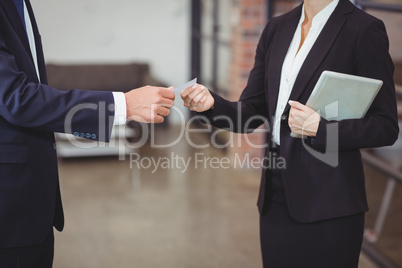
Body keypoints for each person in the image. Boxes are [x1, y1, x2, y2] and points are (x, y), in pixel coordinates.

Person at [181, 0, 399, 267]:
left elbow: (385, 126)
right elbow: (252, 112)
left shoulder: (363, 29)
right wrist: (212, 105)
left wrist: (321, 129)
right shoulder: (277, 28)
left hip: (330, 200)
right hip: (276, 195)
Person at [0, 0, 174, 267]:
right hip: (10, 208)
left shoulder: (21, 4)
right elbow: (16, 98)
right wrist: (124, 104)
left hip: (35, 203)